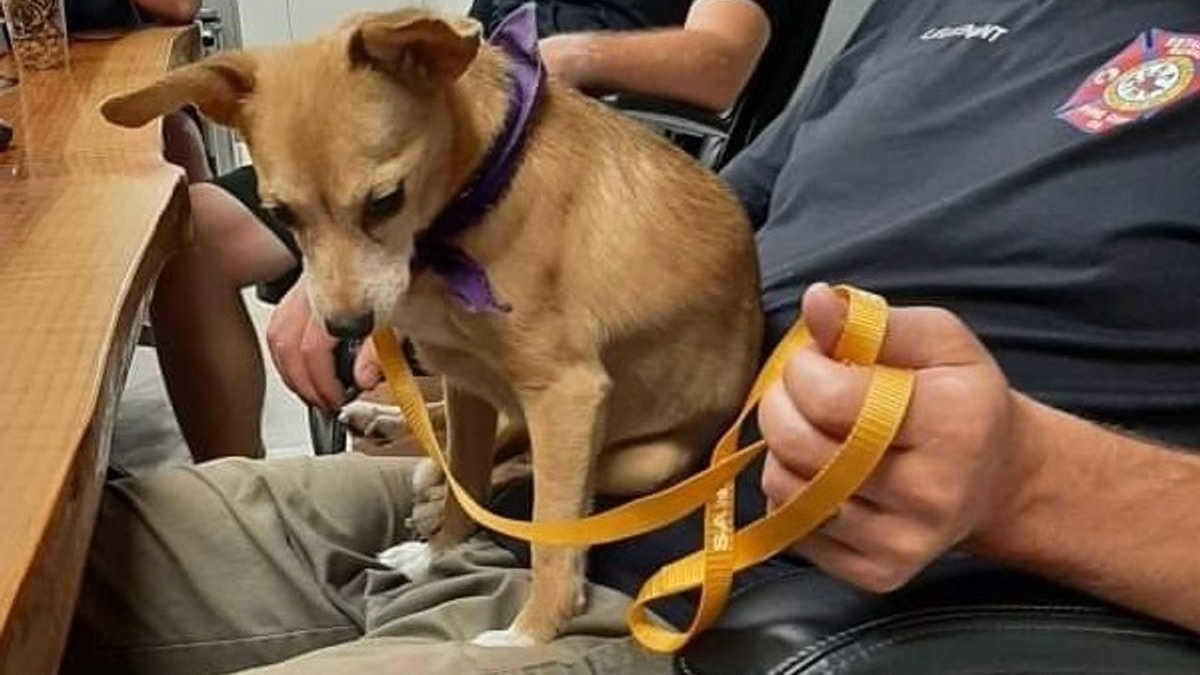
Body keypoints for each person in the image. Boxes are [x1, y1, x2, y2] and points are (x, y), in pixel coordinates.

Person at [64, 0, 1200, 673]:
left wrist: (1041, 484)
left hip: (725, 595)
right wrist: (400, 247)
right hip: (535, 490)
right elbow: (720, 205)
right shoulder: (920, 13)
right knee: (53, 558)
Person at [151, 0, 775, 462]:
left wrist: (568, 58)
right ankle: (234, 479)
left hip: (540, 150)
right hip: (426, 134)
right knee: (191, 231)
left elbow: (721, 61)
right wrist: (325, 250)